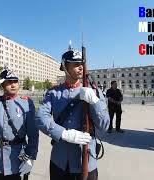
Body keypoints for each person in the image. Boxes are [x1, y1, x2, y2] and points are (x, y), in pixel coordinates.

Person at [35, 46, 110, 180]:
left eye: (81, 64)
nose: (80, 67)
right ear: (64, 67)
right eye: (75, 64)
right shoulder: (53, 93)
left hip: (86, 159)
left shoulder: (95, 92)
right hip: (60, 159)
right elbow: (40, 118)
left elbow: (104, 125)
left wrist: (95, 101)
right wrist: (63, 133)